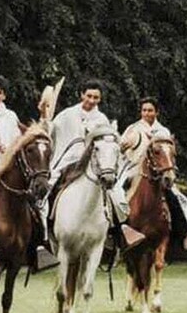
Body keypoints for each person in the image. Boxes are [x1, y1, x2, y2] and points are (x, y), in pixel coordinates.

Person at [47, 79, 143, 249]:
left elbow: (110, 143)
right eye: (89, 96)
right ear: (81, 94)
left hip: (95, 167)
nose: (92, 100)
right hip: (68, 163)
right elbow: (50, 135)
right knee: (45, 192)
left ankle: (119, 232)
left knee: (116, 193)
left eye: (96, 98)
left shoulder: (102, 119)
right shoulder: (66, 115)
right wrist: (45, 120)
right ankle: (43, 237)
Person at [120, 97, 187, 251]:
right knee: (117, 193)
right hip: (132, 169)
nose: (146, 113)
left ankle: (185, 234)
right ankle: (118, 231)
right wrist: (124, 145)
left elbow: (169, 152)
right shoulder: (133, 128)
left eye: (150, 110)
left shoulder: (163, 131)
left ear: (156, 112)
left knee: (177, 197)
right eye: (144, 110)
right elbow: (121, 148)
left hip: (158, 172)